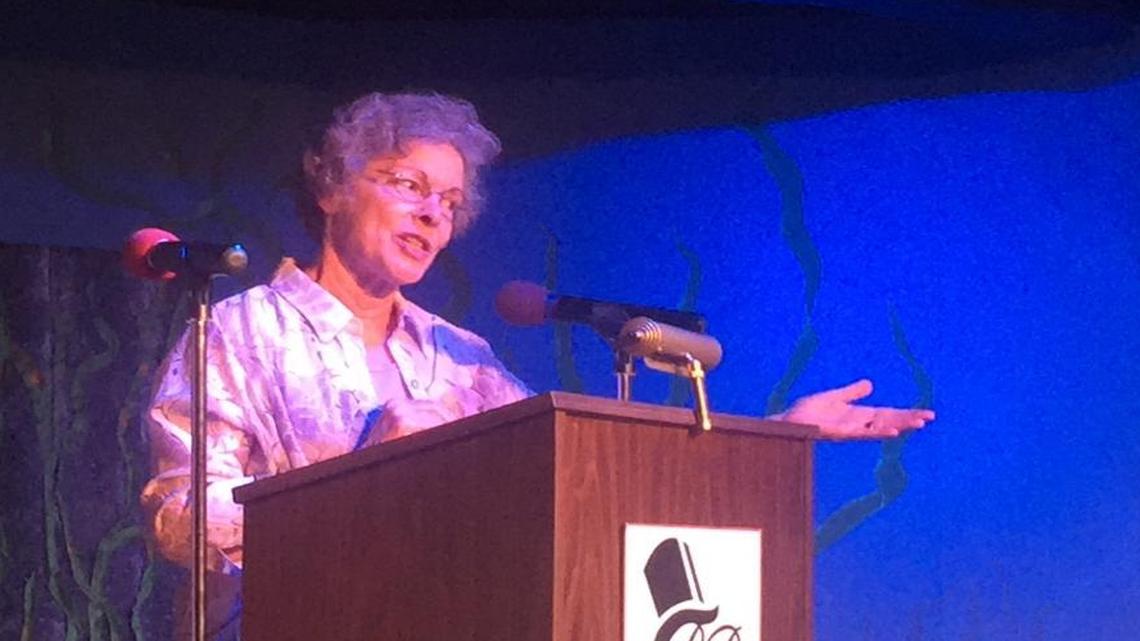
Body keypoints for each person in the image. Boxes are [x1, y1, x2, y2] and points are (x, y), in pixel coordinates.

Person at [139, 91, 935, 640]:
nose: (432, 214)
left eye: (449, 202)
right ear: (334, 187)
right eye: (410, 185)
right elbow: (179, 517)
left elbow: (586, 474)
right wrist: (360, 484)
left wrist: (775, 433)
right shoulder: (240, 333)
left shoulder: (462, 357)